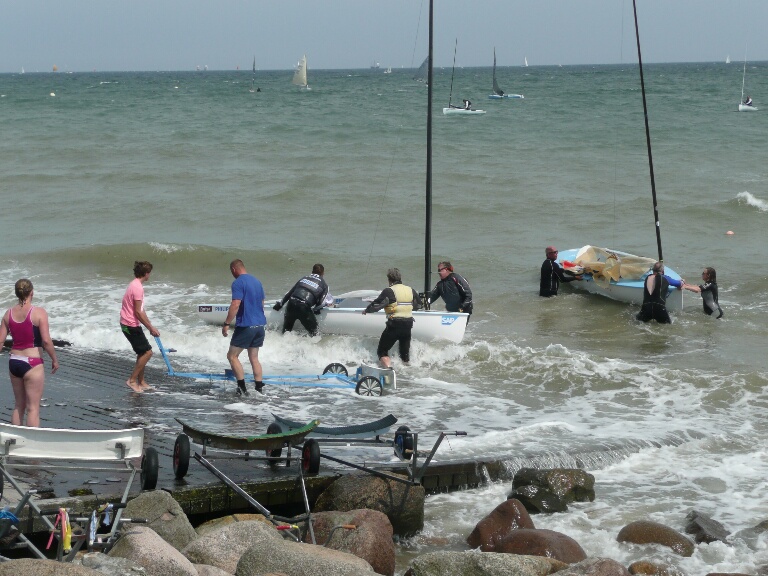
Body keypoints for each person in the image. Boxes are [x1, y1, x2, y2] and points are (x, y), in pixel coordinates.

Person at [0, 279, 59, 427]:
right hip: (32, 363)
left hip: (14, 362)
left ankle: (14, 441)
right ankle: (31, 444)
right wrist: (54, 359)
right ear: (32, 292)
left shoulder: (8, 314)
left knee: (19, 405)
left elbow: (0, 341)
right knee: (33, 408)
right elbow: (46, 341)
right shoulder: (39, 313)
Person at [221, 259, 267, 396]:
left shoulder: (238, 282)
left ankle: (242, 389)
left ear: (234, 269)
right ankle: (259, 389)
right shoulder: (257, 281)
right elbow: (262, 303)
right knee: (254, 358)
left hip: (246, 325)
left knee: (232, 356)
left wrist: (227, 323)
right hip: (260, 325)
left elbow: (235, 303)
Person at [362, 268, 420, 368]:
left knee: (382, 351)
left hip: (395, 325)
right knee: (404, 356)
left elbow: (376, 305)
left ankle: (389, 370)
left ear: (389, 279)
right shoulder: (411, 290)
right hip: (408, 325)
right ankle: (407, 376)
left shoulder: (389, 291)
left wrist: (366, 310)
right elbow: (418, 305)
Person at [120, 261, 160, 393]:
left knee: (142, 352)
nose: (150, 276)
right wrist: (150, 328)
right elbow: (138, 312)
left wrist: (150, 326)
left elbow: (141, 311)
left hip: (129, 323)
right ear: (146, 273)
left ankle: (141, 382)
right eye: (150, 273)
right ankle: (132, 381)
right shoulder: (137, 288)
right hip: (130, 325)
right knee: (148, 352)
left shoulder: (134, 284)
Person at [273, 264, 331, 336]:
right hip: (303, 308)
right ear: (323, 273)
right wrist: (317, 309)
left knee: (285, 334)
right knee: (315, 335)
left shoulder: (304, 278)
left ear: (312, 271)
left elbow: (289, 293)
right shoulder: (324, 285)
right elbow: (321, 303)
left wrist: (280, 304)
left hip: (291, 304)